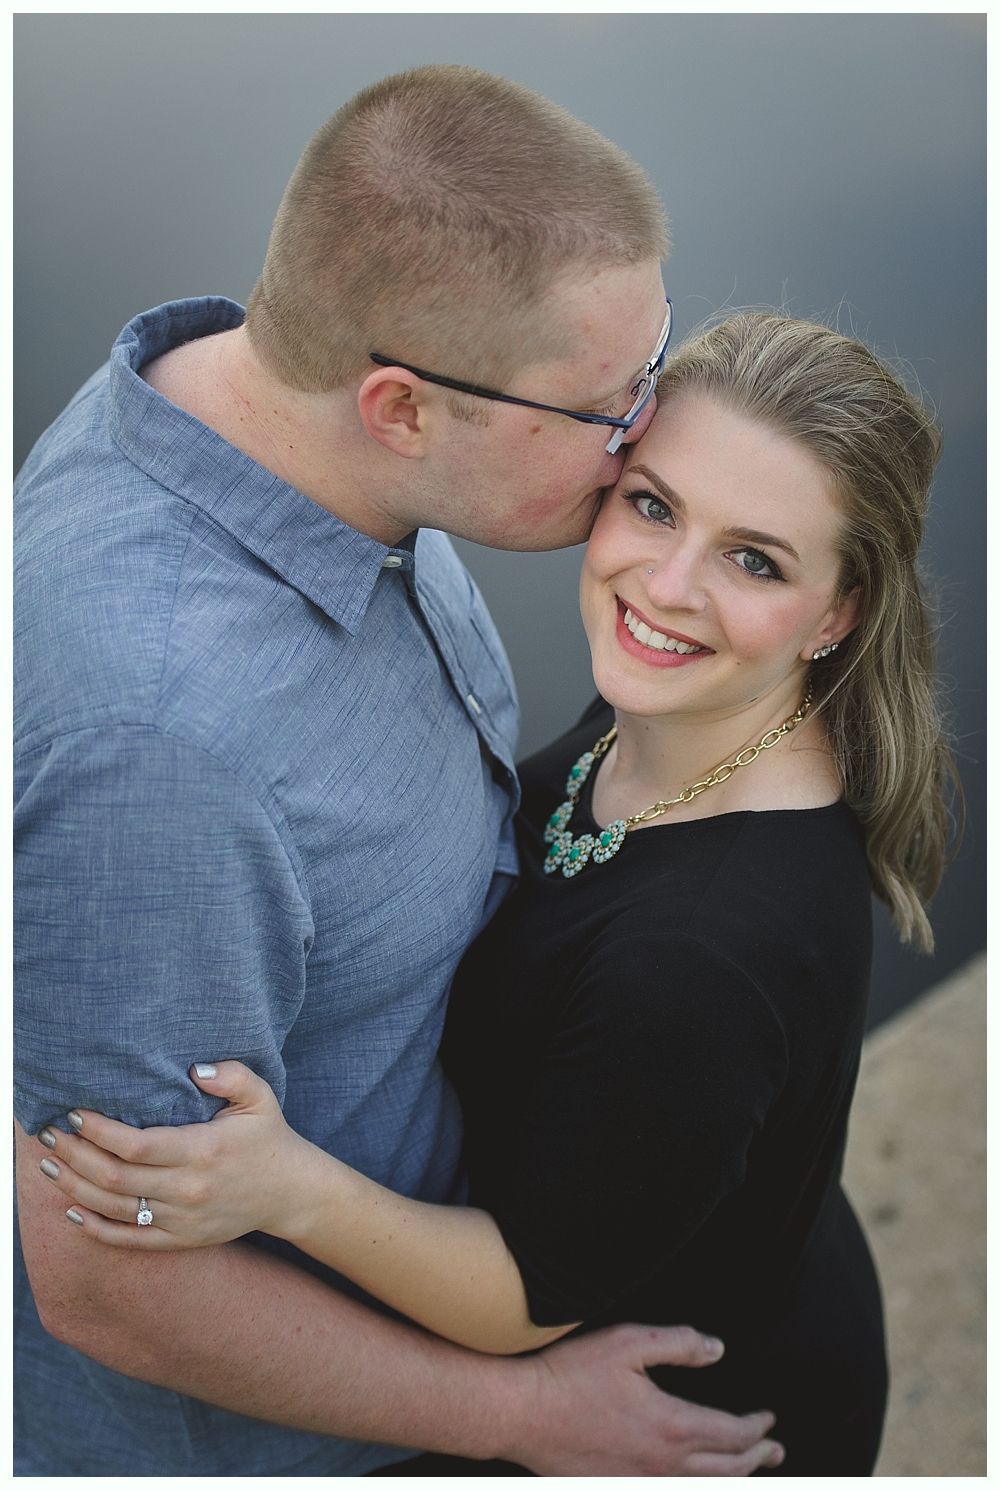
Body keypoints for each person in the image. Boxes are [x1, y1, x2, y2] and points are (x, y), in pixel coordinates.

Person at [13, 66, 786, 1477]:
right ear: (402, 408)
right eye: (607, 408)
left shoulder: (276, 417)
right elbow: (111, 1274)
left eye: (652, 366)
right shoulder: (163, 750)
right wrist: (524, 1417)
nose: (648, 439)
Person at [35, 312, 958, 1477]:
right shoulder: (690, 721)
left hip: (664, 1411)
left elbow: (526, 1295)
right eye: (655, 505)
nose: (666, 585)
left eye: (755, 559)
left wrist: (286, 1187)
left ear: (839, 613)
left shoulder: (697, 961)